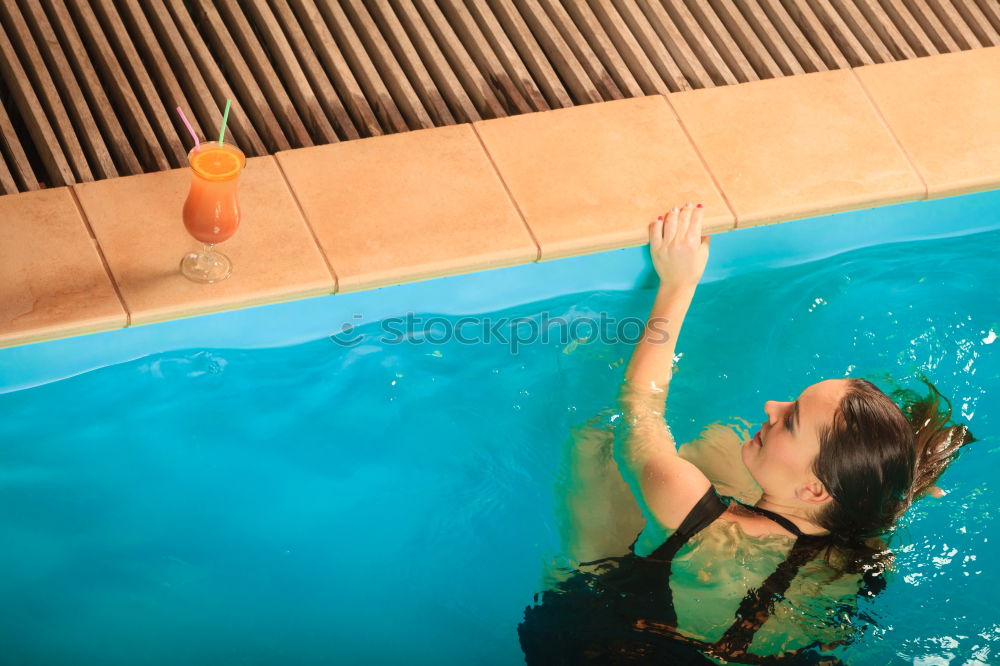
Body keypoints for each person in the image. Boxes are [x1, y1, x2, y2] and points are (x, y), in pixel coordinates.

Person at [518, 202, 975, 664]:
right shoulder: (861, 555)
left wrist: (678, 284)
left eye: (791, 419)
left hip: (614, 646)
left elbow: (639, 407)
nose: (771, 407)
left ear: (814, 488)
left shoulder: (691, 509)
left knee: (591, 438)